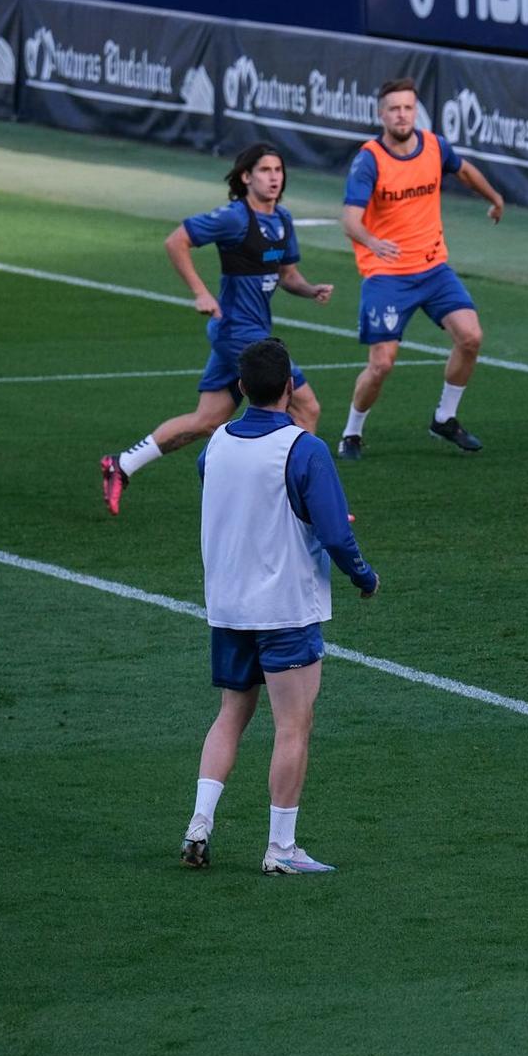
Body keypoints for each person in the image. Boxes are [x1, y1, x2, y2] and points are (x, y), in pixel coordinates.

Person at [181, 338, 379, 875]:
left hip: (228, 608)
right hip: (285, 609)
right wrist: (364, 576)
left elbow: (225, 491)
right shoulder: (304, 449)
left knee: (230, 716)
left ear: (241, 387)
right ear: (290, 387)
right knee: (292, 726)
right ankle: (280, 849)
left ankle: (200, 822)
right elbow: (336, 535)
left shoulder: (216, 442)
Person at [101, 143, 332, 515]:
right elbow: (176, 241)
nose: (274, 177)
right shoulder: (235, 219)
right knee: (306, 405)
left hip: (248, 332)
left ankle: (122, 464)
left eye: (278, 170)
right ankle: (303, 501)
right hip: (240, 334)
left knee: (206, 420)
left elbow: (287, 275)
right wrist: (201, 293)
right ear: (246, 177)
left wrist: (309, 289)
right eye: (265, 170)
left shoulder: (283, 220)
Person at [335, 77, 505, 460]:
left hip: (433, 269)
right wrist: (372, 241)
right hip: (387, 274)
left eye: (408, 108)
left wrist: (494, 196)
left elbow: (463, 170)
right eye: (394, 108)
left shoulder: (433, 146)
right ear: (381, 114)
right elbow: (349, 219)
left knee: (471, 337)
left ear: (416, 111)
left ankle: (444, 418)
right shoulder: (369, 160)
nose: (401, 115)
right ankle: (352, 433)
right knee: (381, 364)